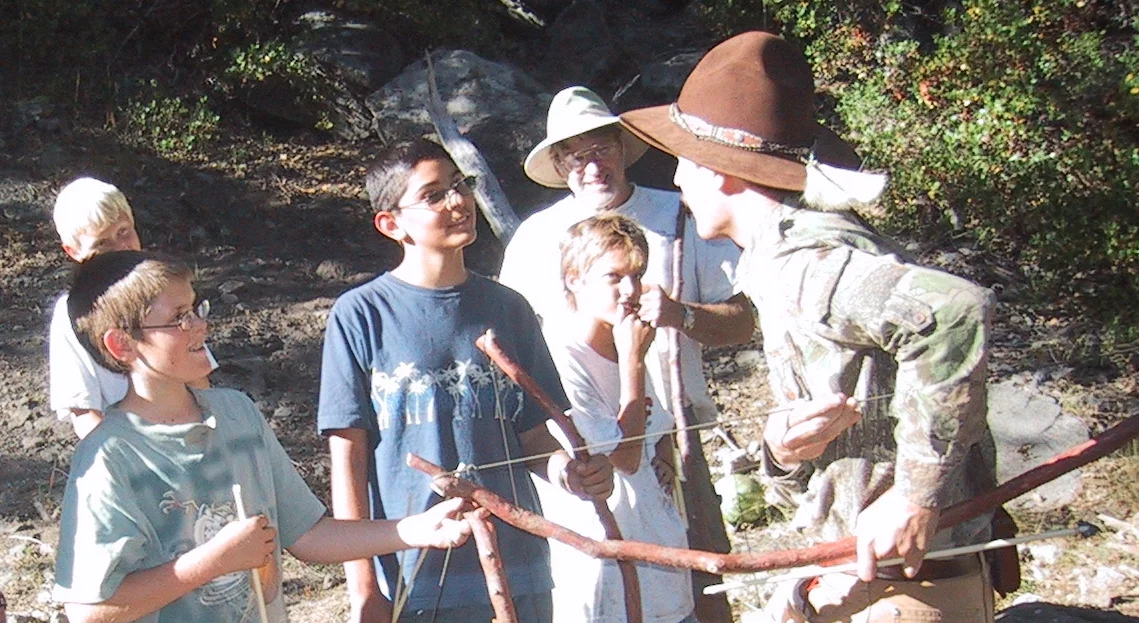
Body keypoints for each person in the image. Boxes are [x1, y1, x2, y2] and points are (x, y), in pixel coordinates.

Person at [621, 31, 999, 622]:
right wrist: (782, 449)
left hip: (906, 588)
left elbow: (953, 311)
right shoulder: (778, 262)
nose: (677, 183)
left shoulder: (803, 264)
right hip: (858, 577)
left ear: (722, 172)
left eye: (685, 164)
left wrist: (915, 495)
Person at [53, 250, 473, 623]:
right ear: (122, 345)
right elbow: (89, 610)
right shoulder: (110, 458)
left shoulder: (238, 415)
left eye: (197, 309)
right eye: (179, 317)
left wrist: (412, 530)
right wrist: (212, 561)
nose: (199, 325)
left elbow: (308, 534)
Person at [317, 138, 614, 623]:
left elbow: (532, 434)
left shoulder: (507, 307)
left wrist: (570, 473)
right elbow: (347, 457)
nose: (457, 202)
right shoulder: (361, 314)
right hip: (417, 574)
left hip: (520, 568)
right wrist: (364, 588)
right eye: (433, 195)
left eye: (461, 185)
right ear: (391, 223)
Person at [499, 86, 754, 619]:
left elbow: (744, 320)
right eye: (575, 153)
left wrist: (681, 315)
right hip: (584, 452)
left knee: (703, 580)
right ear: (558, 163)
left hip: (676, 439)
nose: (591, 165)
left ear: (623, 148)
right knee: (603, 589)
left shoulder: (682, 216)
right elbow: (517, 348)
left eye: (602, 148)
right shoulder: (533, 239)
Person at [538, 213, 697, 623]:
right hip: (605, 555)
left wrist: (664, 456)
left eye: (637, 275)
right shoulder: (563, 356)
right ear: (575, 279)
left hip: (657, 539)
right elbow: (620, 458)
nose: (630, 290)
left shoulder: (632, 336)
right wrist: (631, 363)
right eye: (613, 277)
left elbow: (657, 424)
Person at [49, 177, 215, 439]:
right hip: (128, 445)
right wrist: (120, 457)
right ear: (73, 251)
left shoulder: (165, 287)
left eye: (123, 232)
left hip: (188, 429)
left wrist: (216, 429)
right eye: (101, 244)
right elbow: (83, 410)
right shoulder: (72, 313)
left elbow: (199, 378)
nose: (120, 247)